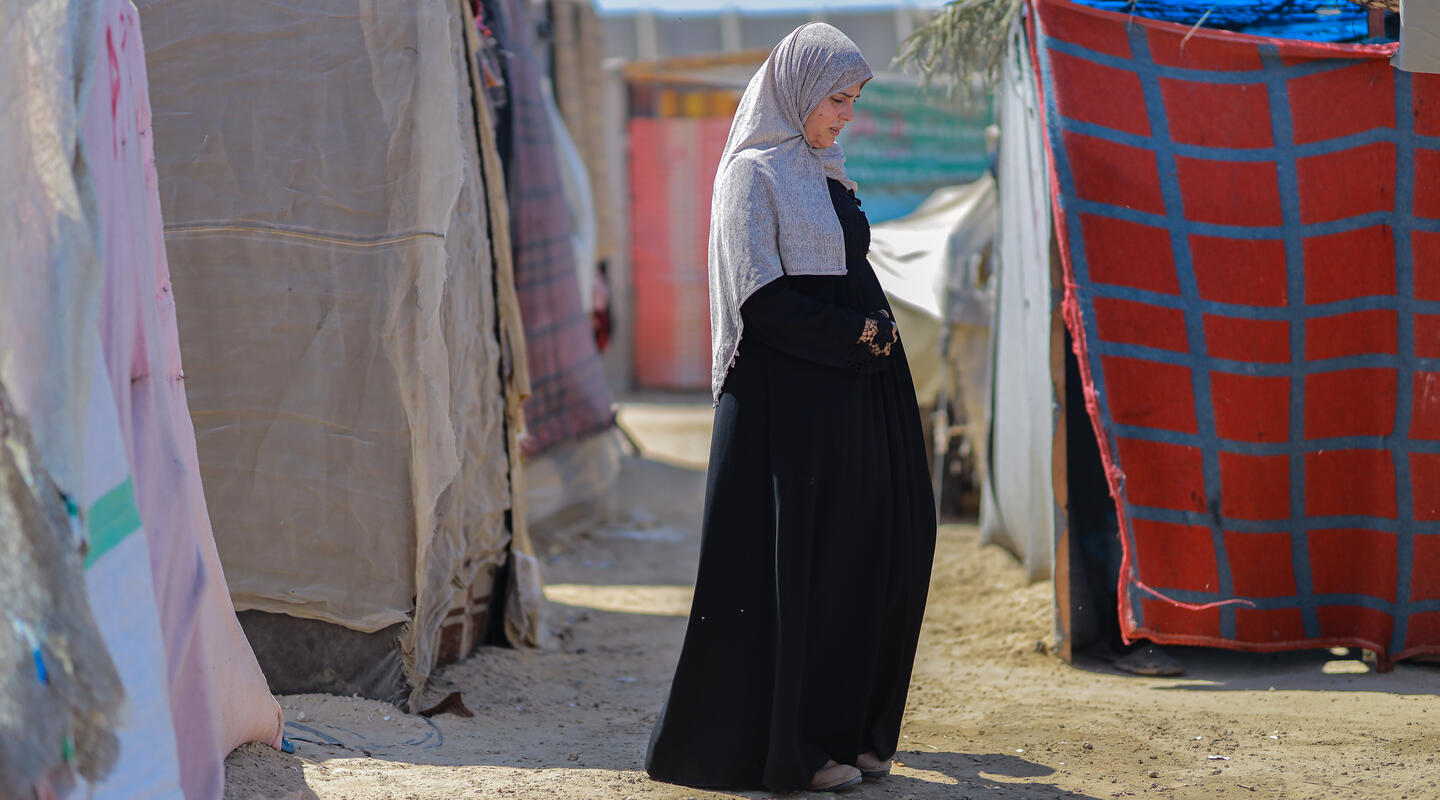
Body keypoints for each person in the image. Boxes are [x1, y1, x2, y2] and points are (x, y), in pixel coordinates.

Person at [644, 23, 937, 794]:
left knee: (867, 559)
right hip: (783, 410)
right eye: (838, 100)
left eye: (854, 102)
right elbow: (764, 302)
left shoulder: (824, 170)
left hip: (842, 396)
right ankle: (793, 751)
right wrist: (859, 333)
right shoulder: (752, 175)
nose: (846, 116)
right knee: (794, 577)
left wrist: (866, 341)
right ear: (801, 92)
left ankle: (853, 730)